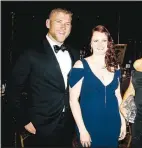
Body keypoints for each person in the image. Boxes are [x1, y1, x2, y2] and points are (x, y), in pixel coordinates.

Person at [6, 8, 79, 146]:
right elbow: (12, 91)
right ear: (47, 23)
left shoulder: (74, 53)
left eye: (67, 23)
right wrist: (25, 121)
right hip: (41, 125)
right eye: (59, 22)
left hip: (69, 123)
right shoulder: (30, 53)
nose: (63, 27)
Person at [68, 25, 126, 148]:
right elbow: (73, 101)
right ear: (91, 43)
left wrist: (123, 122)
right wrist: (82, 130)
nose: (100, 44)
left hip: (112, 124)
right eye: (96, 40)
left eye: (104, 40)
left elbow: (118, 98)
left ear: (109, 43)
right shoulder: (80, 66)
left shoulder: (116, 68)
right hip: (89, 126)